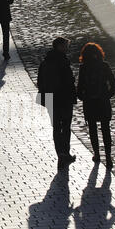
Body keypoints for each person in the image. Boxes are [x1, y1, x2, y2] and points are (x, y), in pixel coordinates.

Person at [37, 37, 77, 170]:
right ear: (59, 46)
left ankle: (60, 153)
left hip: (50, 99)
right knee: (65, 127)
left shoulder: (46, 61)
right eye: (66, 45)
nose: (67, 48)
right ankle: (65, 153)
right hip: (63, 99)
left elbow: (40, 82)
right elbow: (68, 82)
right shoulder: (63, 61)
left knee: (56, 128)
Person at [77, 42, 115, 169]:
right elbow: (114, 84)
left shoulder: (83, 68)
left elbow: (80, 87)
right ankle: (108, 156)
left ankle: (97, 154)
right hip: (103, 102)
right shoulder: (104, 66)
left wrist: (83, 98)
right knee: (106, 129)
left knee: (93, 129)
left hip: (90, 102)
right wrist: (107, 95)